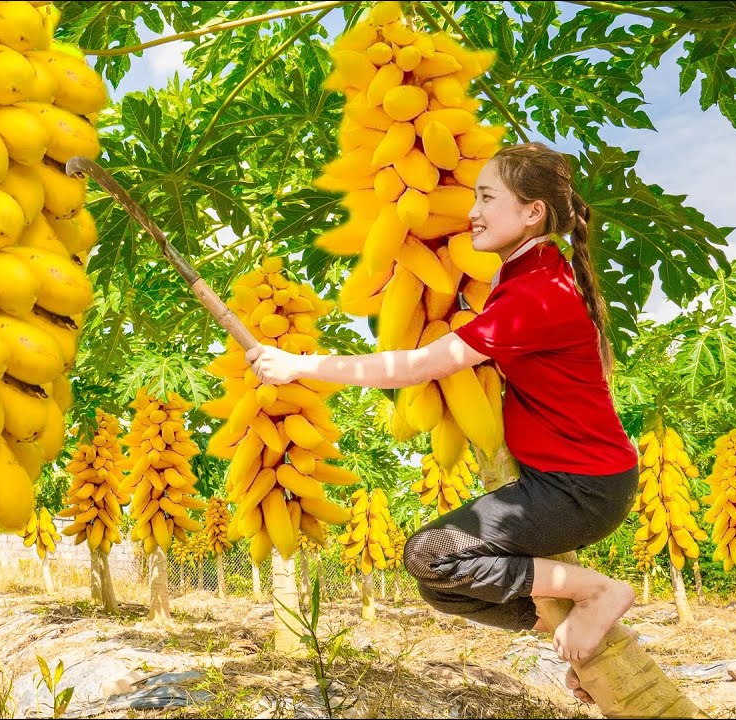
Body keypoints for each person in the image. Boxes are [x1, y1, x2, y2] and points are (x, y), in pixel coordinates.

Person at [247, 143, 639, 699]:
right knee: (442, 587)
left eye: (487, 197)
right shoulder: (534, 275)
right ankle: (575, 635)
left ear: (532, 212)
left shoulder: (537, 294)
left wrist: (299, 366)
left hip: (583, 488)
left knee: (433, 554)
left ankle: (598, 593)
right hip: (565, 479)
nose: (471, 211)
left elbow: (421, 365)